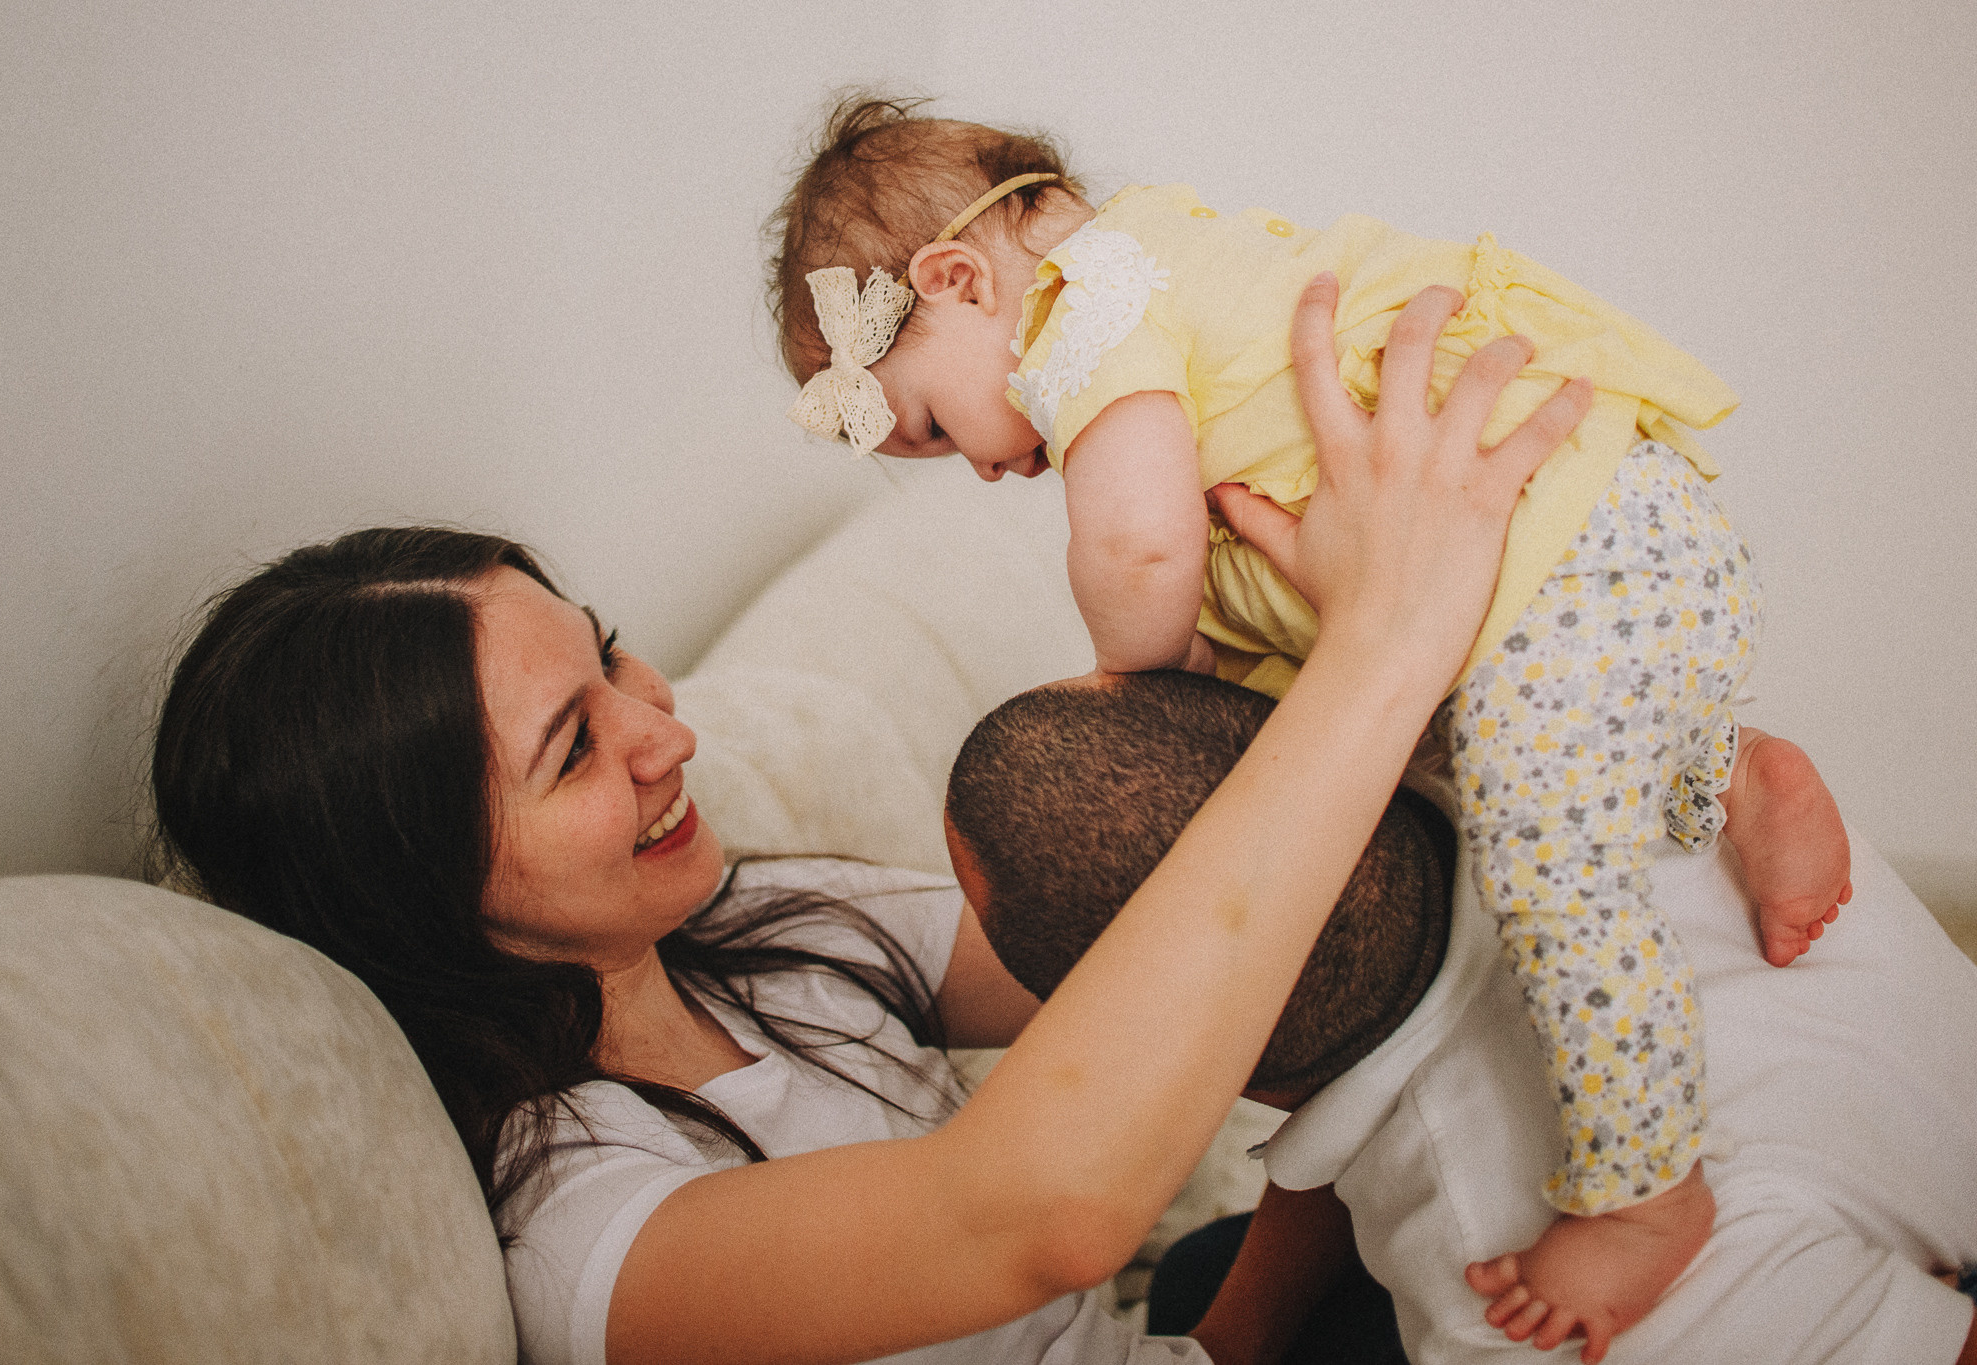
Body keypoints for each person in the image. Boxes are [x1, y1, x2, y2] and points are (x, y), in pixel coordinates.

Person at [147, 277, 1589, 1362]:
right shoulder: (580, 1223)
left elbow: (1180, 956)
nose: (668, 732)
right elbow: (1035, 1212)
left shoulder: (764, 930)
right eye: (576, 748)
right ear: (421, 886)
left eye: (611, 656)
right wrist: (1382, 649)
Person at [768, 95, 1852, 1352]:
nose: (982, 468)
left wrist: (1148, 663)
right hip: (1606, 544)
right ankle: (1727, 769)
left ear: (955, 279)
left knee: (1549, 868)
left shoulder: (1083, 322)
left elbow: (1137, 542)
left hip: (1563, 550)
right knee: (1438, 751)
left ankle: (1643, 1183)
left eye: (934, 426)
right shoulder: (1162, 249)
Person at [946, 666, 1977, 1365]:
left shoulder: (1520, 1278)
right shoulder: (1549, 779)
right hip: (1901, 1111)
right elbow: (1360, 1089)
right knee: (1207, 1283)